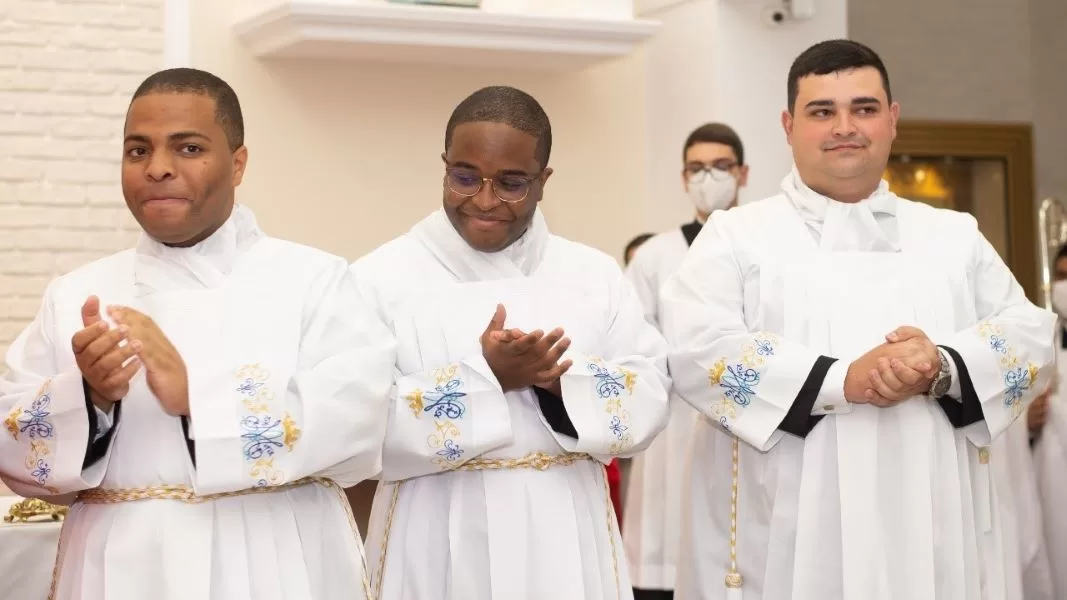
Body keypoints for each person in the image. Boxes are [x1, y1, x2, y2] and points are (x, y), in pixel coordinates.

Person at [661, 39, 1057, 600]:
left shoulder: (952, 235)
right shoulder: (735, 236)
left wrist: (942, 366)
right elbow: (697, 352)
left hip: (931, 522)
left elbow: (1031, 334)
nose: (845, 126)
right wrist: (841, 381)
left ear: (892, 120)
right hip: (784, 526)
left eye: (864, 109)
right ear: (788, 124)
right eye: (822, 111)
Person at [0, 68, 396, 600]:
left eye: (187, 148)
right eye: (137, 151)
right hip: (115, 568)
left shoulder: (312, 280)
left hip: (270, 561)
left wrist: (200, 399)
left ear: (238, 164)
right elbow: (13, 442)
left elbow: (361, 420)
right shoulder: (75, 293)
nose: (158, 169)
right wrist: (89, 399)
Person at [353, 85, 671, 600]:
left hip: (566, 530)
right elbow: (355, 423)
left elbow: (650, 398)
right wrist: (486, 380)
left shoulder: (593, 274)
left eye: (511, 183)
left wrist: (559, 384)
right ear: (444, 166)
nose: (483, 199)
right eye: (464, 177)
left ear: (543, 180)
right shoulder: (379, 278)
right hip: (435, 533)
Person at [622, 123, 748, 600]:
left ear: (743, 172)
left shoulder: (765, 246)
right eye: (697, 168)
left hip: (754, 421)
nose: (708, 177)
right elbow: (633, 340)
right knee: (668, 560)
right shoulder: (655, 256)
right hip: (675, 425)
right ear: (683, 177)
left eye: (720, 166)